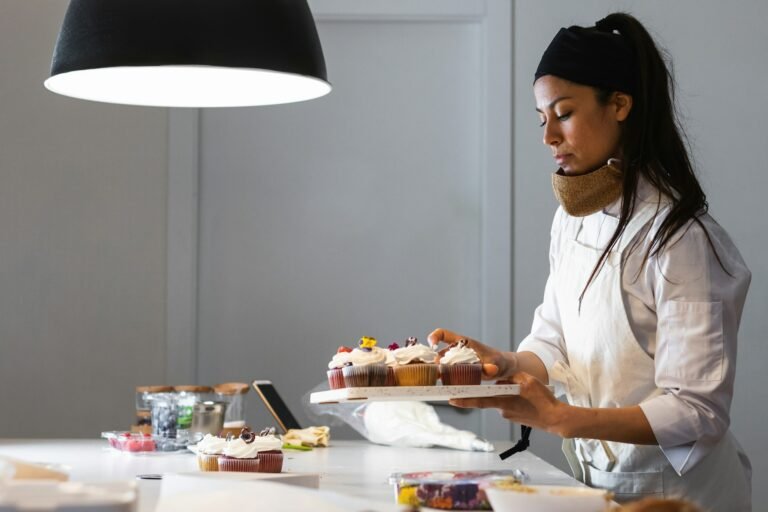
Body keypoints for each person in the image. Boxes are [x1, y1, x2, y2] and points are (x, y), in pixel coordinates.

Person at [429, 12, 752, 510]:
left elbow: (697, 410)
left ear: (620, 104)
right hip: (597, 483)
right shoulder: (572, 221)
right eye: (542, 118)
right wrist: (501, 366)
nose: (548, 136)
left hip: (678, 494)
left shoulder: (681, 239)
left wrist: (560, 417)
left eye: (564, 113)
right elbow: (554, 337)